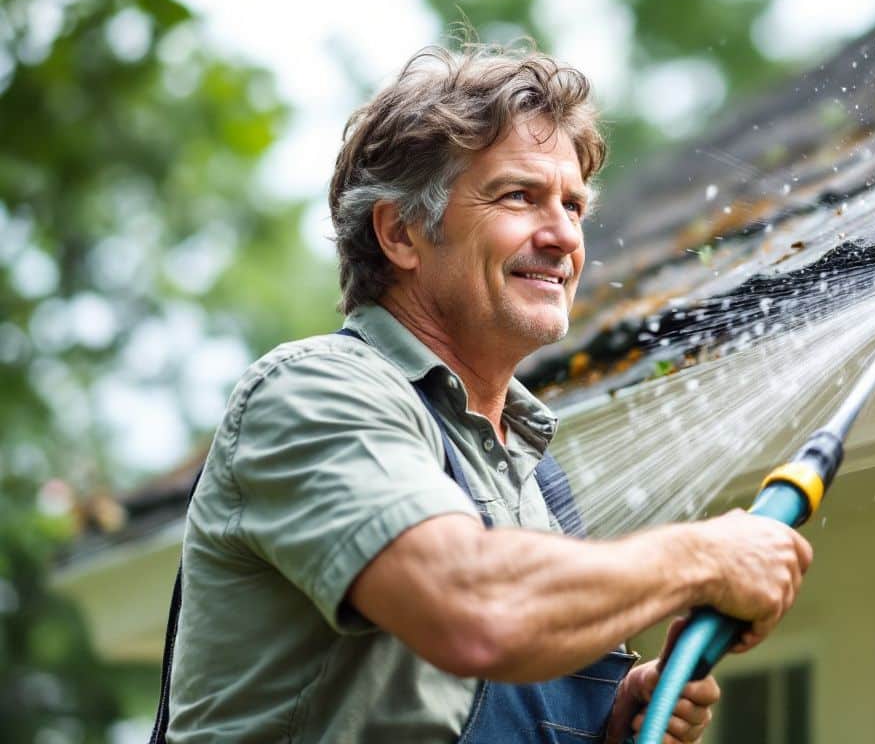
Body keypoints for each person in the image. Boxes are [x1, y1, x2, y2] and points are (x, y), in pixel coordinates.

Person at [157, 43, 813, 743]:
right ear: (402, 233)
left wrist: (610, 724)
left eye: (574, 205)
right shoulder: (314, 395)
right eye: (519, 196)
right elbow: (471, 609)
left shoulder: (530, 472)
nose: (564, 236)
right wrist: (705, 557)